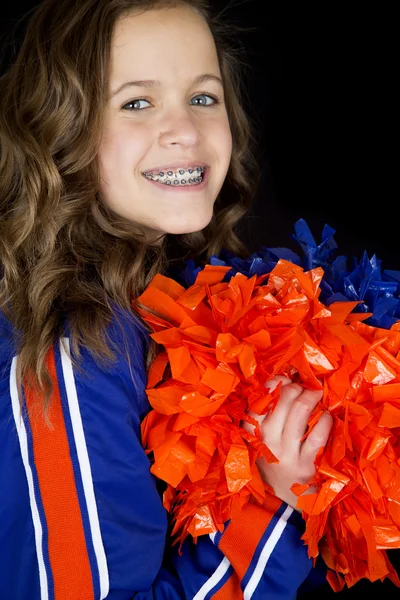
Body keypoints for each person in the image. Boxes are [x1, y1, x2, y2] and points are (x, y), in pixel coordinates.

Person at [0, 1, 333, 598]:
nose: (185, 130)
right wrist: (275, 498)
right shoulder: (71, 359)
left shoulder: (164, 294)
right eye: (137, 102)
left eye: (203, 97)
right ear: (59, 126)